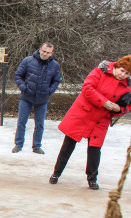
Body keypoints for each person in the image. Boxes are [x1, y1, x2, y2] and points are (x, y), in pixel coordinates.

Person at [50, 56, 131, 189]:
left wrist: (119, 109)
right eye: (122, 71)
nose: (123, 75)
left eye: (127, 73)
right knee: (68, 144)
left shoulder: (127, 86)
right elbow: (87, 88)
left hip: (101, 119)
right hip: (83, 114)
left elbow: (127, 105)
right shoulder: (101, 71)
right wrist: (104, 102)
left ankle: (92, 178)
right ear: (117, 66)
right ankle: (56, 173)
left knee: (95, 149)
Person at [12, 42, 62, 154]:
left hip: (42, 99)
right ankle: (18, 144)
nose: (45, 54)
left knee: (39, 124)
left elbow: (56, 80)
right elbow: (18, 75)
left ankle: (37, 146)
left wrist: (49, 91)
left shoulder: (54, 65)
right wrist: (23, 88)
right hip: (26, 97)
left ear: (51, 53)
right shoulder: (28, 61)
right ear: (40, 49)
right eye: (43, 51)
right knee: (21, 121)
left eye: (48, 52)